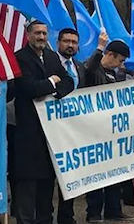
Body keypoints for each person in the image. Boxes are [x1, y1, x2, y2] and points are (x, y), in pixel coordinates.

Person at [12, 21, 75, 224]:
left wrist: (56, 92)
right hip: (28, 135)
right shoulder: (20, 58)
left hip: (50, 136)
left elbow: (68, 81)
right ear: (28, 35)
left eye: (44, 33)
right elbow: (28, 87)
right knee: (27, 195)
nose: (41, 37)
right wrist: (51, 82)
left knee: (46, 197)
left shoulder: (51, 57)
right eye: (37, 33)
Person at [82, 33, 134, 222]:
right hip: (94, 131)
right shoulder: (94, 70)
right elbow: (87, 71)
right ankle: (94, 212)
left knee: (116, 174)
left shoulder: (118, 74)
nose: (121, 65)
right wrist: (99, 48)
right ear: (109, 54)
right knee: (96, 174)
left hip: (113, 131)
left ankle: (114, 210)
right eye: (119, 60)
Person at [54, 28, 85, 224]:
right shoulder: (50, 64)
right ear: (58, 43)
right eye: (66, 41)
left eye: (74, 42)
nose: (70, 45)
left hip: (74, 128)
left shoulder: (79, 66)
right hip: (53, 127)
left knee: (71, 173)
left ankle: (67, 216)